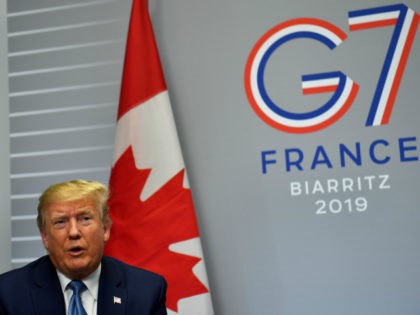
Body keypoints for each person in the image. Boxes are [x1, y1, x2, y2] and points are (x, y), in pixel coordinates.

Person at [0, 179, 167, 315]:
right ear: (45, 237)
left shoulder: (146, 291)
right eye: (60, 222)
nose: (73, 232)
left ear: (105, 229)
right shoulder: (8, 294)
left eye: (85, 219)